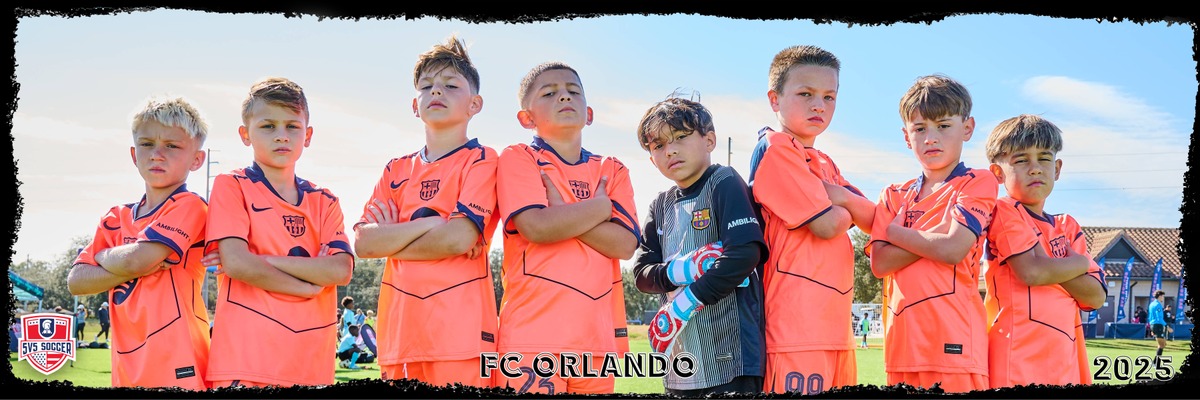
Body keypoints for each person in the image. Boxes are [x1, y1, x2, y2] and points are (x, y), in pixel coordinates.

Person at [352, 35, 500, 389]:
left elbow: (457, 239)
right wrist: (434, 223)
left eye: (451, 85)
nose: (437, 91)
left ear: (475, 104)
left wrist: (392, 239)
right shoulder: (396, 169)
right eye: (426, 86)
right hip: (400, 337)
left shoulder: (482, 160)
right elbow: (364, 245)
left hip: (462, 338)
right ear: (415, 105)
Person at [494, 62, 638, 394]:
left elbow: (624, 245)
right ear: (526, 118)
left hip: (595, 344)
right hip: (531, 340)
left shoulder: (611, 169)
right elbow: (536, 226)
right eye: (549, 93)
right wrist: (599, 209)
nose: (564, 97)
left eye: (573, 91)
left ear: (589, 113)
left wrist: (564, 212)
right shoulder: (519, 158)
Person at [202, 77, 355, 388]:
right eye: (268, 126)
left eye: (292, 126)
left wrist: (262, 259)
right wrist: (307, 283)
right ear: (245, 134)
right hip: (245, 362)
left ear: (307, 135)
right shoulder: (232, 186)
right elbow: (237, 264)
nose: (281, 135)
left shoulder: (324, 200)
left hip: (311, 365)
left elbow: (340, 270)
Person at [747, 45, 875, 394]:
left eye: (829, 97)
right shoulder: (776, 149)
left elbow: (873, 218)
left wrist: (838, 197)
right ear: (774, 99)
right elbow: (827, 225)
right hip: (796, 327)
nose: (819, 105)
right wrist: (845, 205)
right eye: (806, 94)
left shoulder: (825, 162)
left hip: (836, 326)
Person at [65, 96, 212, 390]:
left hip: (179, 359)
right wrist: (125, 260)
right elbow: (77, 281)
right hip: (127, 364)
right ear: (134, 155)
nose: (157, 154)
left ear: (196, 159)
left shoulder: (190, 205)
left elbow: (136, 260)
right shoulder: (115, 217)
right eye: (147, 144)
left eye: (172, 146)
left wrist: (103, 256)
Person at [866, 75, 995, 393]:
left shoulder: (977, 182)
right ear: (906, 136)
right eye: (920, 128)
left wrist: (895, 232)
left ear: (967, 128)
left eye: (943, 126)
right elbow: (880, 263)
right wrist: (931, 239)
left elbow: (952, 248)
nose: (931, 138)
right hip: (902, 347)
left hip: (955, 345)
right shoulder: (893, 194)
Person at [631, 95, 767, 396]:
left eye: (680, 137)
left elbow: (744, 254)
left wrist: (685, 303)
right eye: (658, 145)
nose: (671, 150)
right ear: (651, 159)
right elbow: (641, 274)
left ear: (709, 141)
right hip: (680, 362)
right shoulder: (660, 205)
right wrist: (685, 269)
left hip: (732, 360)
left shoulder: (723, 181)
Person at [981, 114, 1107, 388]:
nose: (1035, 168)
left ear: (1057, 169)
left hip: (1065, 359)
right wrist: (1079, 264)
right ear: (998, 173)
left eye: (1044, 158)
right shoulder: (1005, 211)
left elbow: (1095, 296)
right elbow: (1032, 272)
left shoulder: (1067, 226)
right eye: (1021, 160)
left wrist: (1049, 264)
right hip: (1016, 356)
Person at [1149, 290, 1168, 364]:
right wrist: (1166, 326)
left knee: (1163, 344)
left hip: (1153, 325)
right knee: (1162, 344)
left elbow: (1150, 317)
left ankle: (1155, 361)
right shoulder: (1158, 305)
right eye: (1163, 296)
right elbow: (1159, 318)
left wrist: (1151, 328)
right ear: (1160, 296)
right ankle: (1155, 362)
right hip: (1158, 325)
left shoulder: (1151, 304)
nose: (1163, 298)